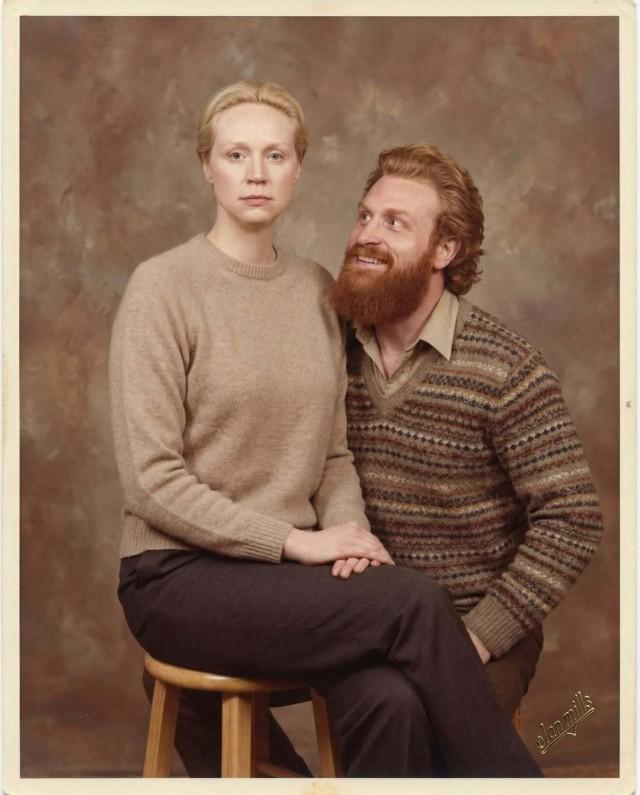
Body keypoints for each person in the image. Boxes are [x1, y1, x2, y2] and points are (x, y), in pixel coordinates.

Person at [110, 82, 542, 779]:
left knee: (389, 698)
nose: (256, 172)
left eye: (275, 155)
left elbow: (334, 454)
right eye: (236, 154)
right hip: (177, 576)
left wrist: (352, 543)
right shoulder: (161, 288)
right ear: (207, 167)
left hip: (289, 582)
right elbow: (151, 481)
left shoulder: (319, 291)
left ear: (298, 169)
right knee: (412, 602)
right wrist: (300, 542)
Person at [331, 143, 603, 758]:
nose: (367, 234)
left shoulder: (505, 367)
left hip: (479, 624)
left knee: (419, 724)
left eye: (395, 223)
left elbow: (573, 518)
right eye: (365, 215)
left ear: (445, 250)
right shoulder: (330, 349)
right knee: (385, 710)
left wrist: (477, 637)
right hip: (366, 623)